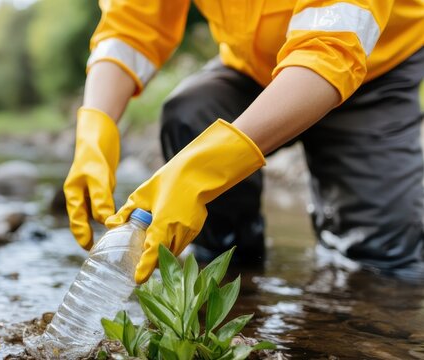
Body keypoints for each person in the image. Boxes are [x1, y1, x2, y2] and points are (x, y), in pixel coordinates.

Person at [63, 0, 424, 284]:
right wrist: (97, 123)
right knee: (192, 113)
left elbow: (330, 51)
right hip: (253, 68)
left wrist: (203, 170)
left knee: (384, 261)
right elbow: (132, 24)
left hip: (375, 70)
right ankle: (230, 274)